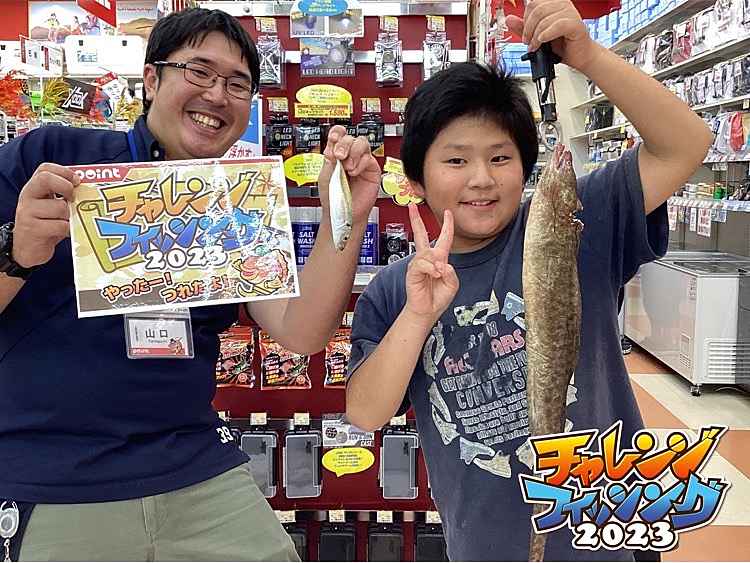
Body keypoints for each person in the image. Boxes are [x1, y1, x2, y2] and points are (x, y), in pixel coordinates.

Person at [0, 8, 379, 561]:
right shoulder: (50, 158)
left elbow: (302, 332)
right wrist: (15, 254)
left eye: (237, 84)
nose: (217, 95)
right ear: (152, 79)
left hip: (198, 466)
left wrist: (348, 212)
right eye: (198, 71)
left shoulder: (236, 199)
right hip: (55, 477)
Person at [345, 0, 712, 561]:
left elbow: (686, 144)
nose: (481, 179)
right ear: (415, 179)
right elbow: (366, 413)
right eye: (456, 161)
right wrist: (418, 315)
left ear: (525, 165)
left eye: (500, 158)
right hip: (486, 546)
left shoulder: (574, 220)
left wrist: (588, 57)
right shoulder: (395, 290)